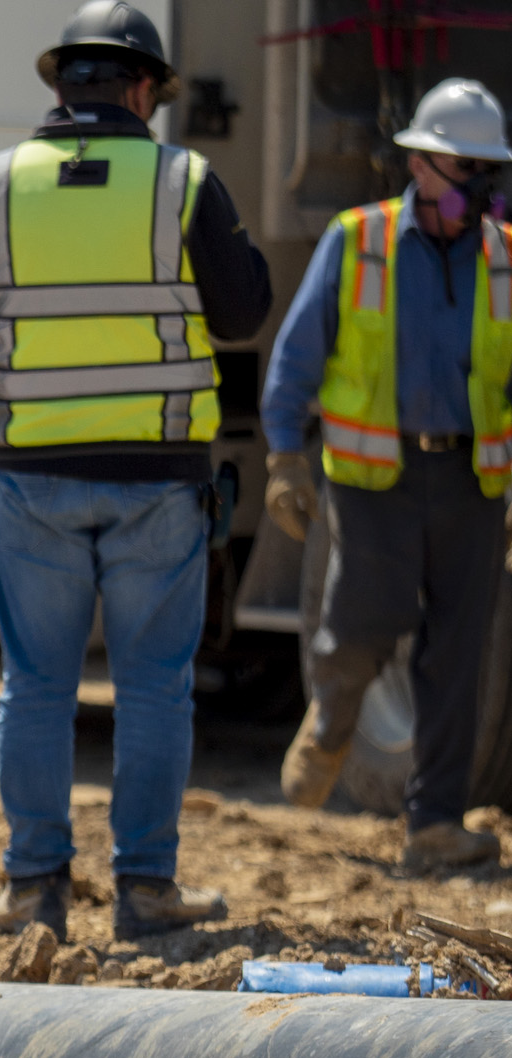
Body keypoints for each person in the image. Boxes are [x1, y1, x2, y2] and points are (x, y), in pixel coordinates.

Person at [0, 0, 272, 941]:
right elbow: (243, 314)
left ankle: (34, 888)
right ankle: (146, 890)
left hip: (33, 477)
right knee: (154, 687)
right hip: (160, 479)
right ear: (139, 87)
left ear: (63, 85)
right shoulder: (182, 182)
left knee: (34, 685)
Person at [264, 77, 512, 872]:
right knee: (362, 626)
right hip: (375, 481)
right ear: (422, 166)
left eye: (485, 172)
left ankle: (436, 823)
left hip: (473, 484)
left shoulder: (504, 259)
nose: (475, 188)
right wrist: (283, 457)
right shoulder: (357, 240)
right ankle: (334, 719)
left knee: (456, 654)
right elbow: (297, 356)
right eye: (463, 169)